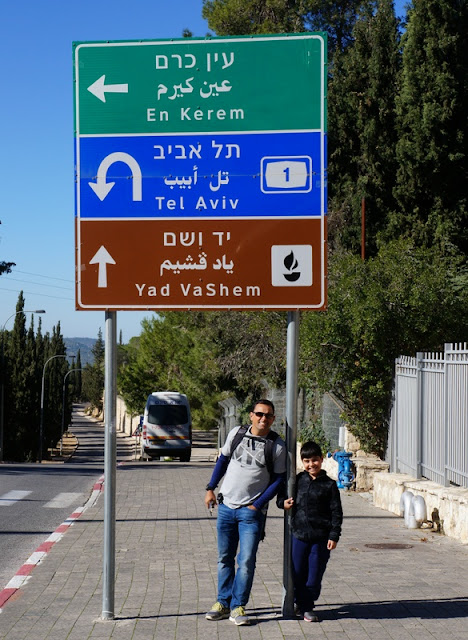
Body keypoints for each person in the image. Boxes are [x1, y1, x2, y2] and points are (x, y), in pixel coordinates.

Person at [204, 399, 286, 626]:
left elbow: (279, 479)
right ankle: (222, 603)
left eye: (268, 415)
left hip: (251, 514)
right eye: (259, 414)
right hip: (226, 507)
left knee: (247, 560)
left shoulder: (277, 446)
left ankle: (238, 607)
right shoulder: (236, 434)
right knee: (224, 559)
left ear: (273, 419)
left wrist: (257, 505)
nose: (263, 419)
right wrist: (210, 488)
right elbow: (222, 460)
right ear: (251, 415)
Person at [277, 440, 343, 622]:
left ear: (321, 460)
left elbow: (336, 512)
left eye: (314, 460)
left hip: (320, 539)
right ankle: (301, 604)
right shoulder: (297, 481)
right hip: (298, 536)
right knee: (297, 573)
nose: (311, 464)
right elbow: (282, 495)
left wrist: (334, 535)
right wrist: (282, 503)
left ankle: (308, 606)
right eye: (306, 461)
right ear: (302, 462)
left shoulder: (329, 485)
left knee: (313, 576)